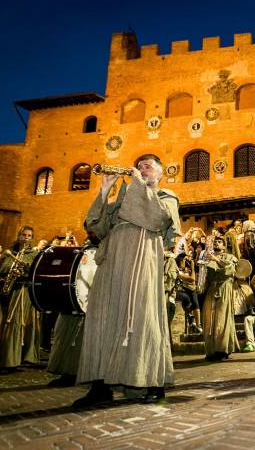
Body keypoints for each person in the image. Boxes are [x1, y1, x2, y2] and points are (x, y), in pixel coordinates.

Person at [73, 154, 181, 407]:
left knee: (143, 315)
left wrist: (137, 186)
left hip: (142, 259)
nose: (142, 170)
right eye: (139, 166)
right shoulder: (122, 201)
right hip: (112, 261)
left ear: (160, 174)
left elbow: (156, 219)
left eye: (148, 167)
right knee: (103, 316)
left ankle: (150, 381)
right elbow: (97, 227)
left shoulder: (167, 196)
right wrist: (106, 189)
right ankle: (100, 385)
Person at [0, 226, 42, 373]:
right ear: (19, 235)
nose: (26, 237)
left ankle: (8, 362)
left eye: (29, 235)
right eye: (23, 234)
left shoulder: (34, 254)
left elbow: (38, 274)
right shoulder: (9, 253)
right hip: (3, 293)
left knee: (13, 326)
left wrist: (26, 271)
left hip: (21, 292)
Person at [202, 237, 240, 362]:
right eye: (215, 242)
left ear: (224, 246)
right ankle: (211, 350)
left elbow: (230, 269)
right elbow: (205, 275)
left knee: (222, 319)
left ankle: (222, 350)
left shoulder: (230, 257)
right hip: (212, 289)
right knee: (209, 320)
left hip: (224, 287)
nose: (216, 243)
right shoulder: (207, 257)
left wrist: (216, 259)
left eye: (219, 242)